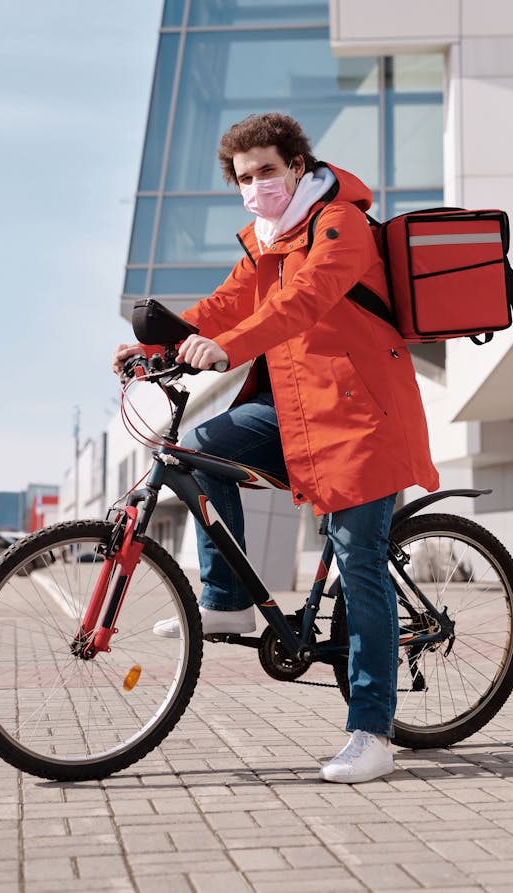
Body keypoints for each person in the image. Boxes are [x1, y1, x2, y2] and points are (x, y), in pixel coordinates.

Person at [113, 112, 439, 784]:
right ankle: (226, 597)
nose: (256, 184)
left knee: (359, 562)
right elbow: (224, 303)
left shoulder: (339, 223)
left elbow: (306, 300)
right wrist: (151, 348)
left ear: (296, 165)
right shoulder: (265, 239)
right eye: (244, 176)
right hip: (296, 413)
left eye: (267, 169)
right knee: (198, 448)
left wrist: (228, 348)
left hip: (362, 418)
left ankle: (373, 729)